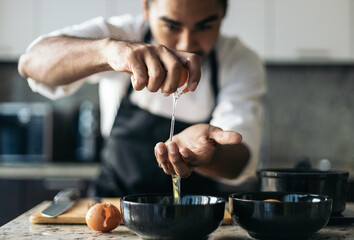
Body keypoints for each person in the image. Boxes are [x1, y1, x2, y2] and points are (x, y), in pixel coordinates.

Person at [18, 0, 266, 197]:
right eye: (172, 25)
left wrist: (206, 155)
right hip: (113, 210)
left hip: (193, 219)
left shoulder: (239, 61)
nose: (187, 43)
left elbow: (238, 161)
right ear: (146, 7)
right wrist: (109, 52)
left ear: (222, 14)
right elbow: (31, 62)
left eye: (205, 26)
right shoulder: (122, 34)